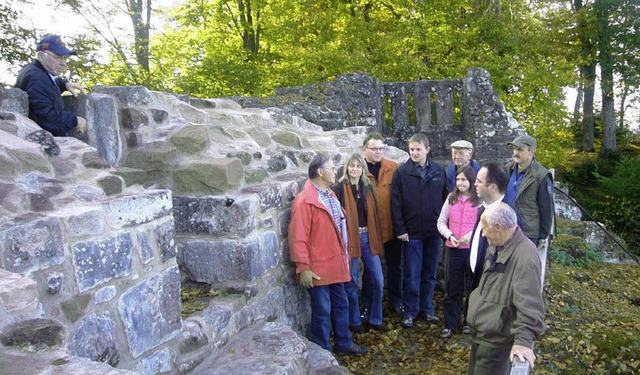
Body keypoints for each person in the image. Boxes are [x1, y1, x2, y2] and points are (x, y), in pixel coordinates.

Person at [288, 153, 367, 355]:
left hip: (336, 264)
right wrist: (303, 267)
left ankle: (343, 343)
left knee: (341, 305)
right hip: (318, 268)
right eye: (332, 168)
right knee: (322, 312)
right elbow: (298, 236)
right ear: (320, 172)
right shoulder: (305, 201)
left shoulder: (330, 195)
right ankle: (324, 353)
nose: (335, 171)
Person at [466, 203, 545, 374]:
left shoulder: (525, 257)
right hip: (482, 335)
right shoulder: (498, 244)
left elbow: (529, 304)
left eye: (485, 227)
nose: (483, 233)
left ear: (498, 227)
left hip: (497, 344)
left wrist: (523, 342)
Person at [391, 133, 448, 328]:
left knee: (430, 273)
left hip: (433, 232)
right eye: (412, 149)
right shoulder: (402, 172)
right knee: (412, 274)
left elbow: (447, 201)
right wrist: (400, 228)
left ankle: (427, 309)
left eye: (418, 149)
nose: (414, 153)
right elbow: (395, 203)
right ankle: (410, 311)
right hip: (412, 233)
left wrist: (444, 227)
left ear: (427, 150)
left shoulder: (439, 172)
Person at [332, 153, 387, 332]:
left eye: (358, 166)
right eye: (351, 165)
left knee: (378, 280)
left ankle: (375, 318)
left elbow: (375, 215)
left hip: (367, 237)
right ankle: (354, 321)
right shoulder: (339, 188)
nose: (355, 169)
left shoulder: (367, 187)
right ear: (347, 167)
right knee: (352, 282)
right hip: (349, 239)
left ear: (363, 168)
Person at [437, 165, 481, 339]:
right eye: (458, 179)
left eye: (464, 179)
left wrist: (470, 236)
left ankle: (469, 323)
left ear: (472, 181)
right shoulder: (451, 199)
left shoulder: (479, 202)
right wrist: (450, 235)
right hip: (453, 249)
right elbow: (441, 221)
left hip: (472, 250)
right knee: (452, 288)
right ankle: (450, 323)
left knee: (472, 287)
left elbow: (483, 225)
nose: (461, 183)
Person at [361, 132, 402, 314]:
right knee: (369, 272)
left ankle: (396, 302)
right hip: (370, 231)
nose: (378, 152)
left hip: (391, 227)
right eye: (374, 148)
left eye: (381, 148)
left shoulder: (392, 167)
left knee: (395, 267)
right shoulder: (358, 168)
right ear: (365, 149)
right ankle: (367, 306)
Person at [15, 34, 87, 137]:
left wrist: (64, 84)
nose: (63, 63)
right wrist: (75, 120)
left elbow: (47, 86)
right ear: (41, 56)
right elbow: (45, 116)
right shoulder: (37, 78)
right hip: (42, 145)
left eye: (64, 58)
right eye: (57, 57)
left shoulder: (35, 72)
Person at [504, 134, 554, 247]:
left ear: (531, 152)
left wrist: (543, 236)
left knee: (523, 264)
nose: (516, 152)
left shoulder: (541, 175)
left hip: (527, 233)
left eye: (520, 149)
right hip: (507, 228)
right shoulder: (508, 168)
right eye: (514, 149)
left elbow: (546, 207)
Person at [469, 162, 511, 292]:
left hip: (490, 290)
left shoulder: (506, 219)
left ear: (492, 187)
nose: (475, 184)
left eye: (479, 181)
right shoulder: (484, 208)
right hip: (476, 281)